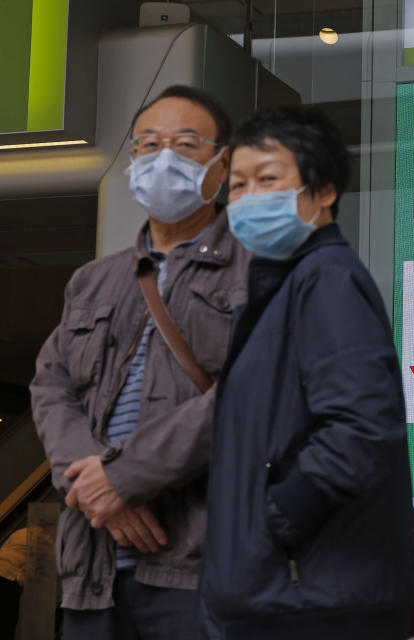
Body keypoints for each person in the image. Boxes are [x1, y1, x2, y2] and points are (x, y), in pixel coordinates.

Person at [30, 85, 249, 639]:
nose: (162, 159)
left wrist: (124, 477)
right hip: (94, 563)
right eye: (148, 144)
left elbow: (254, 390)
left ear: (222, 166)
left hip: (204, 568)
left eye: (184, 144)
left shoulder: (265, 269)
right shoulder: (93, 280)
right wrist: (97, 487)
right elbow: (51, 387)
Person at [200, 105, 414, 638]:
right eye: (240, 185)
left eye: (268, 180)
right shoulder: (281, 288)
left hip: (315, 599)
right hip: (286, 595)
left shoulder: (326, 280)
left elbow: (362, 426)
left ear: (323, 192)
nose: (247, 199)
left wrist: (277, 518)